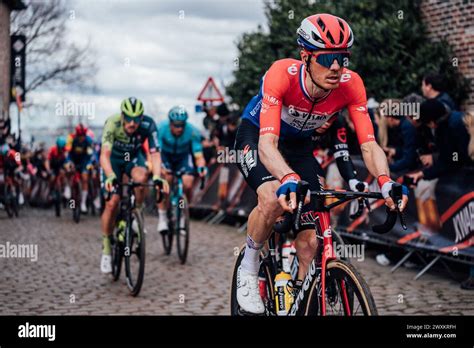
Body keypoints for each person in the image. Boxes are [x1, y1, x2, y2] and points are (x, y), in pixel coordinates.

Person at [233, 13, 408, 314]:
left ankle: (299, 301)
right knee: (273, 196)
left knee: (310, 241)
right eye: (328, 59)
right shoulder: (281, 74)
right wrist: (286, 176)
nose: (337, 67)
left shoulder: (351, 85)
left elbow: (368, 144)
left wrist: (385, 181)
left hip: (300, 146)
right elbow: (267, 145)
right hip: (258, 135)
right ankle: (248, 266)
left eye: (343, 58)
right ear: (306, 56)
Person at [100, 97, 169, 273]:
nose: (132, 123)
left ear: (141, 117)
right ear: (122, 116)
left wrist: (157, 176)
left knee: (142, 178)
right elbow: (104, 155)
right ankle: (107, 247)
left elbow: (155, 154)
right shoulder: (112, 123)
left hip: (132, 158)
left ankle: (136, 212)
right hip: (113, 161)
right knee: (112, 202)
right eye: (129, 119)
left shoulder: (148, 124)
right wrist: (110, 176)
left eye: (136, 119)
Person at [156, 106, 207, 234]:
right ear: (170, 123)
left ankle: (183, 213)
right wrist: (159, 167)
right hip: (165, 156)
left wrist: (201, 166)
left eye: (182, 125)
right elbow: (156, 152)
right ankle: (162, 217)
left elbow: (198, 153)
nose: (179, 128)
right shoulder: (161, 129)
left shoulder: (192, 131)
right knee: (165, 181)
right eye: (176, 125)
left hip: (183, 157)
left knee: (188, 182)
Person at [407, 99, 472, 183]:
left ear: (432, 123)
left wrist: (425, 172)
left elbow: (455, 158)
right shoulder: (452, 119)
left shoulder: (453, 127)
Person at [66, 124, 94, 213]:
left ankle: (83, 203)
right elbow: (68, 153)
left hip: (84, 161)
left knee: (85, 178)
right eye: (79, 136)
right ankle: (68, 188)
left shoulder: (88, 141)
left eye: (83, 136)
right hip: (73, 160)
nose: (81, 138)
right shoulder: (72, 139)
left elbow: (90, 154)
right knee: (68, 170)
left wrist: (89, 164)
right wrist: (69, 162)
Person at [45, 136, 69, 200]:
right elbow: (47, 160)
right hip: (53, 166)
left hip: (61, 166)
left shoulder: (66, 150)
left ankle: (65, 188)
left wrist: (67, 168)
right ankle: (51, 191)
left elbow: (67, 160)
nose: (60, 149)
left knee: (64, 174)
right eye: (59, 148)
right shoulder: (52, 150)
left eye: (62, 148)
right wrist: (48, 169)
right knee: (52, 178)